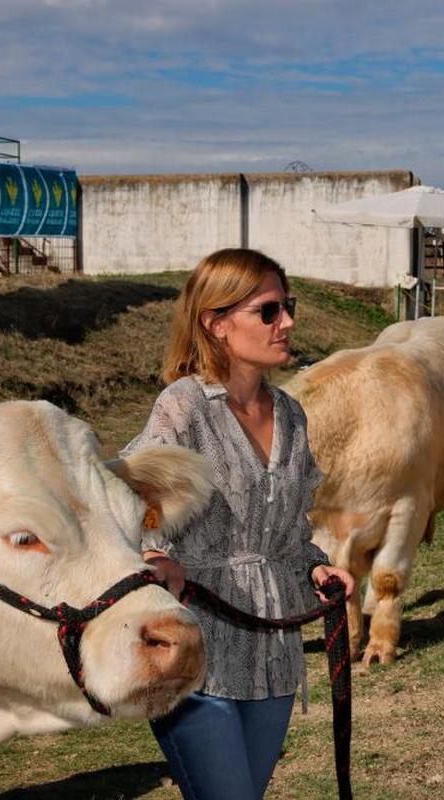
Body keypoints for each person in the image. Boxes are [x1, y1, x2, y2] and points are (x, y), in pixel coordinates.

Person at [123, 248, 355, 800]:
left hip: (274, 651)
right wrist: (156, 553)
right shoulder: (184, 407)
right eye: (269, 311)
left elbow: (289, 530)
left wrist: (316, 569)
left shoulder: (292, 414)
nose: (288, 323)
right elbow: (139, 493)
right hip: (197, 653)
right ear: (216, 323)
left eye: (287, 307)